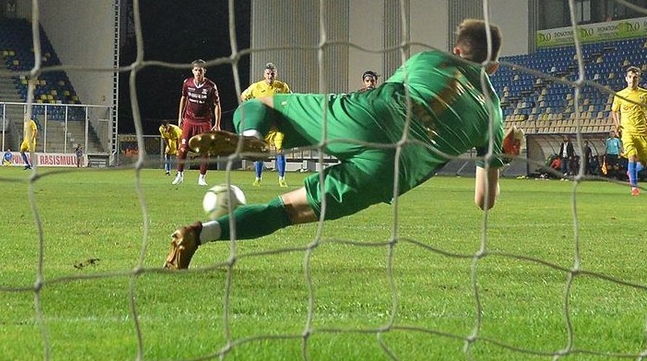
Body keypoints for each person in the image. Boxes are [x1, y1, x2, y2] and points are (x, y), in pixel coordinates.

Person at [165, 18, 514, 270]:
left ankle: (252, 138)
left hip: (370, 115)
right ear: (494, 67)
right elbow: (484, 201)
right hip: (394, 168)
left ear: (456, 51)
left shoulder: (427, 59)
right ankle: (199, 234)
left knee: (264, 104)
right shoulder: (493, 114)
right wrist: (502, 157)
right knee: (287, 211)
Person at [240, 62, 291, 187]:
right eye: (268, 73)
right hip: (263, 124)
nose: (270, 76)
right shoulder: (256, 87)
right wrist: (252, 106)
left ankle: (282, 178)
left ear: (275, 74)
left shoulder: (282, 87)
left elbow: (291, 99)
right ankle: (258, 178)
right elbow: (243, 96)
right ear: (264, 74)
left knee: (280, 150)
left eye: (272, 73)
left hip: (278, 124)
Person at [172, 59, 222, 186]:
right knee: (182, 149)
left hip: (204, 122)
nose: (198, 72)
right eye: (196, 70)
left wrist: (217, 123)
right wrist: (180, 117)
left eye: (200, 70)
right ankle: (180, 175)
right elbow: (183, 98)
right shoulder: (187, 83)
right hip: (189, 120)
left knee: (204, 151)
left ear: (204, 71)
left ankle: (202, 178)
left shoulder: (211, 86)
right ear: (192, 71)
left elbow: (217, 105)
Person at [610, 66, 647, 196]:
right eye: (630, 77)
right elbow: (614, 110)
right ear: (626, 78)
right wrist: (617, 124)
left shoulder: (645, 94)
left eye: (635, 77)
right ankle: (634, 187)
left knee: (645, 162)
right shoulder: (620, 95)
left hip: (642, 131)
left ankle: (631, 171)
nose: (632, 80)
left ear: (639, 79)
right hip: (627, 130)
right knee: (632, 156)